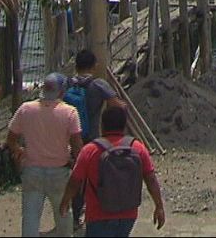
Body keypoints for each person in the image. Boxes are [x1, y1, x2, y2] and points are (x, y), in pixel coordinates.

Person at [61, 105, 165, 237]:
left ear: (102, 125)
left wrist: (65, 201)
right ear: (124, 126)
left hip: (98, 215)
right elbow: (151, 179)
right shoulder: (138, 148)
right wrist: (159, 206)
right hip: (128, 215)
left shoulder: (90, 150)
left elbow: (75, 180)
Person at [8, 73, 83, 238]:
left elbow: (11, 138)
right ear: (62, 91)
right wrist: (79, 168)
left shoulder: (26, 109)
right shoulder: (70, 113)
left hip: (32, 170)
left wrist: (18, 150)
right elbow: (78, 146)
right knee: (63, 214)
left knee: (30, 218)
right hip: (59, 172)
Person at [66, 48, 120, 228]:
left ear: (76, 65)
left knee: (77, 177)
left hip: (72, 139)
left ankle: (74, 218)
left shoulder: (67, 84)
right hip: (92, 138)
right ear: (94, 66)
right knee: (97, 177)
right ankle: (96, 215)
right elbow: (115, 105)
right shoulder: (98, 85)